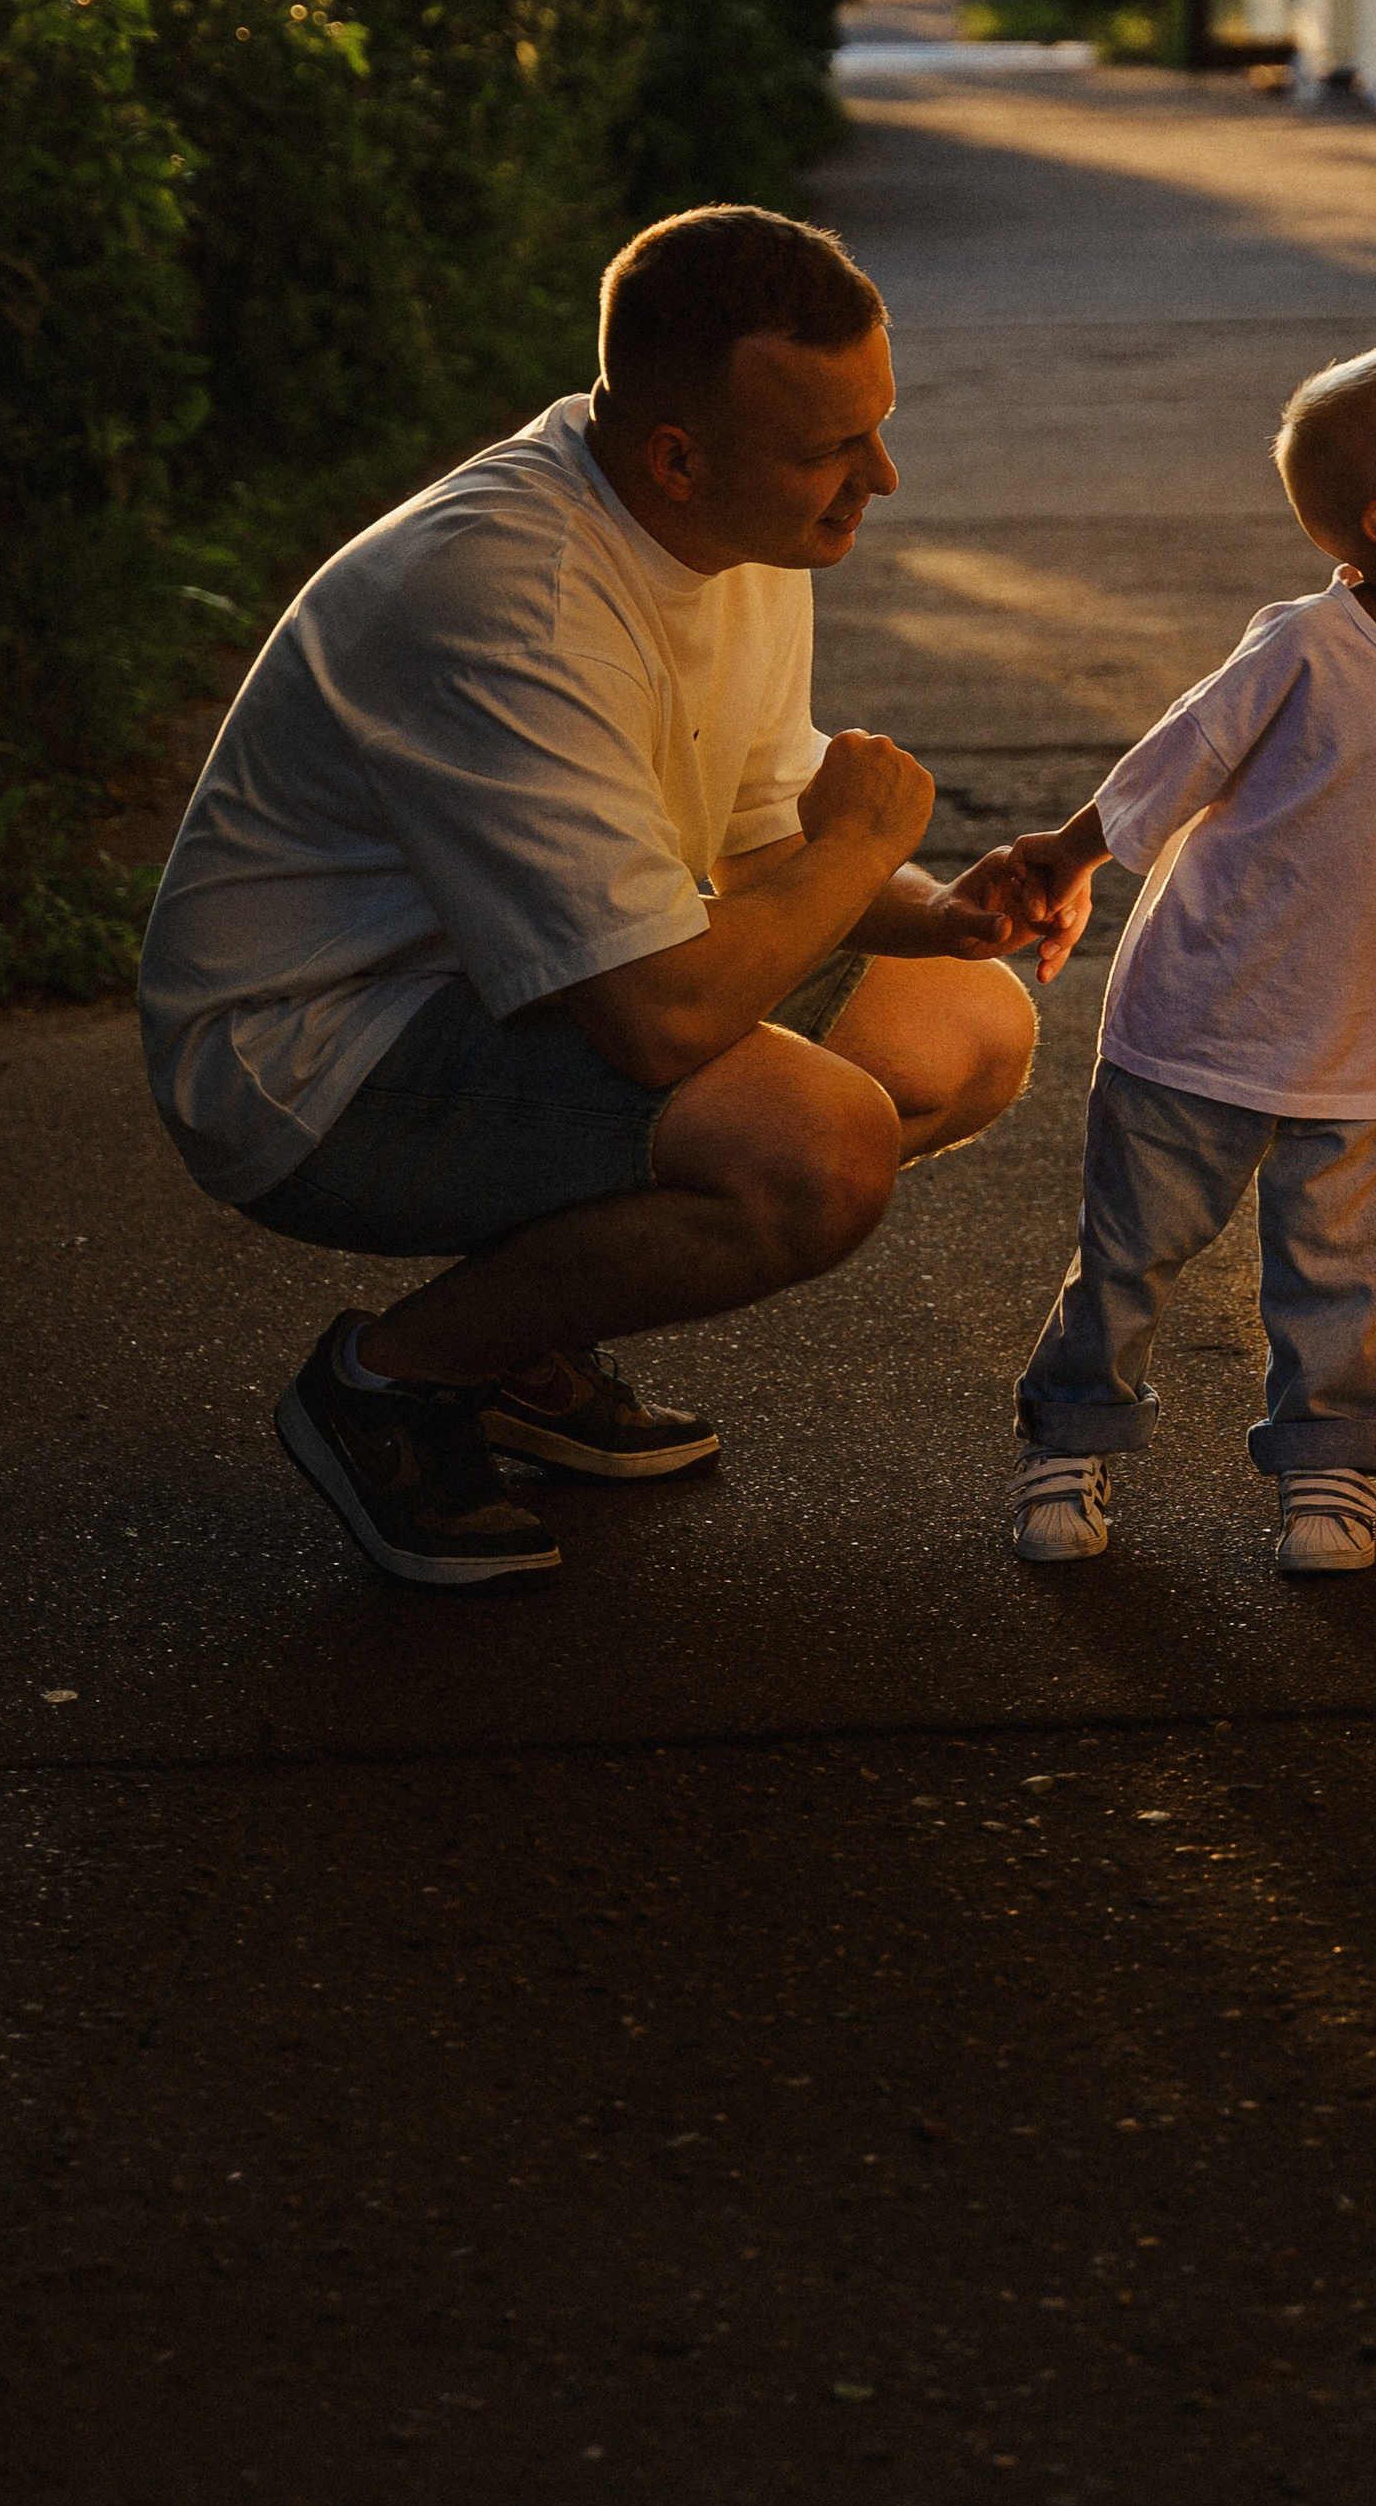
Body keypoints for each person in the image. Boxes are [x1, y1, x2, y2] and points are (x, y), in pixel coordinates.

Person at [139, 204, 1043, 1591]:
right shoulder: (517, 593)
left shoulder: (726, 526)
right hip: (311, 1057)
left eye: (877, 425)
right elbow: (660, 1018)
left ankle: (519, 1345)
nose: (882, 475)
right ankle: (387, 1384)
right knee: (817, 1150)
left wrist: (944, 908)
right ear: (678, 456)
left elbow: (762, 849)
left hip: (511, 988)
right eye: (832, 447)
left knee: (966, 1021)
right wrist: (861, 846)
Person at [990, 341, 1376, 1577]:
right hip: (1207, 1015)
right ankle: (1068, 1440)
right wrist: (1068, 855)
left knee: (1339, 1274)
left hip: (1369, 1029)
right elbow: (1180, 752)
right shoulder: (1304, 643)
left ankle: (1327, 1470)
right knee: (1129, 1254)